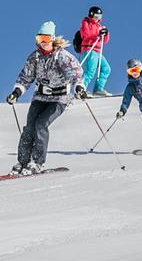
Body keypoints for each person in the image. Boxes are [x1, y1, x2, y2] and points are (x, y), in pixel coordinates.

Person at [7, 21, 85, 175]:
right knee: (29, 127)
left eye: (46, 39)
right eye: (40, 39)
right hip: (40, 97)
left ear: (53, 39)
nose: (43, 43)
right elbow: (25, 77)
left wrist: (79, 88)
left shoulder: (62, 56)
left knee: (41, 124)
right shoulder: (34, 57)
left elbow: (75, 74)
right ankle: (22, 162)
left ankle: (36, 162)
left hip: (59, 99)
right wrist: (16, 93)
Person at [77, 5, 112, 96]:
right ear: (91, 15)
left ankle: (98, 89)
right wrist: (98, 34)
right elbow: (86, 34)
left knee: (106, 69)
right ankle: (81, 88)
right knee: (90, 71)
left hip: (97, 51)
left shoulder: (99, 26)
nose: (97, 18)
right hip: (89, 49)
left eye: (99, 17)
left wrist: (106, 33)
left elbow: (105, 40)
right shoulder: (86, 23)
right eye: (96, 16)